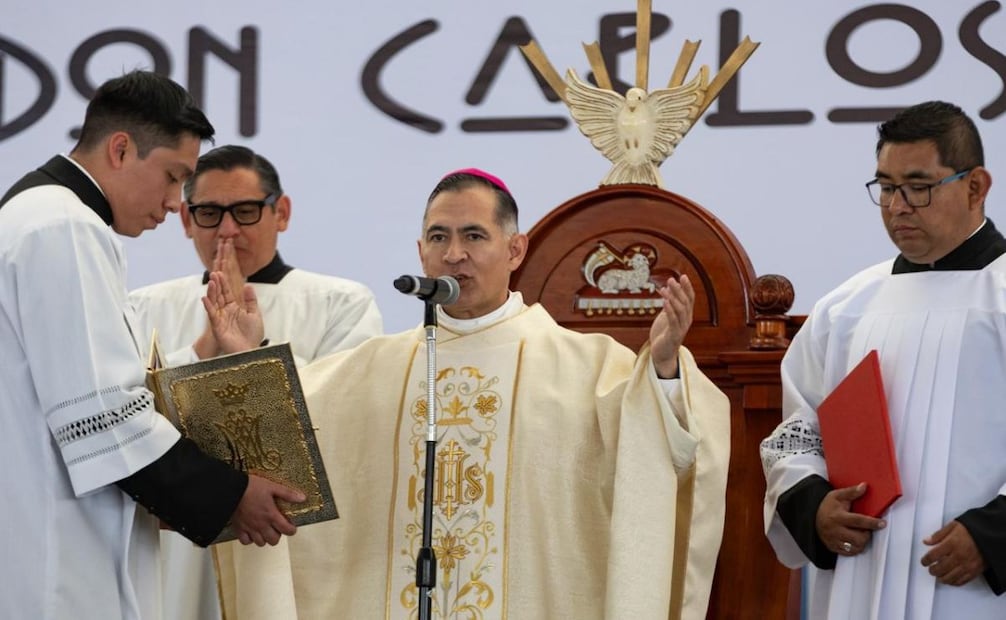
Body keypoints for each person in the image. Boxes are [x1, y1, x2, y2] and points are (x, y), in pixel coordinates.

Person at [212, 167, 732, 619]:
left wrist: (663, 369)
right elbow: (295, 430)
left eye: (473, 236)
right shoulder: (371, 368)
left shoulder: (591, 368)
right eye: (438, 238)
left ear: (515, 249)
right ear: (420, 252)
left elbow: (662, 455)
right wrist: (249, 354)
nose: (453, 254)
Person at [0, 70, 306, 619]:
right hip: (54, 565)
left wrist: (205, 354)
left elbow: (85, 387)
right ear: (121, 149)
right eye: (173, 176)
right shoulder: (63, 227)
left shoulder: (36, 215)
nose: (173, 204)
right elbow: (103, 416)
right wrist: (232, 494)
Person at [760, 101, 1006, 618]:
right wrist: (816, 505)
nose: (898, 207)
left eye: (919, 187)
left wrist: (994, 534)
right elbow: (796, 432)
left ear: (975, 186)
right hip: (861, 580)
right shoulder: (845, 308)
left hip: (978, 588)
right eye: (886, 188)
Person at [128, 144, 383, 620]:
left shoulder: (340, 302)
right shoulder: (145, 307)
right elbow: (125, 419)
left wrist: (254, 349)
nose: (227, 229)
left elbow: (350, 413)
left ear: (280, 212)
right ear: (185, 219)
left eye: (244, 211)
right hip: (181, 545)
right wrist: (204, 348)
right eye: (209, 213)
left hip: (293, 540)